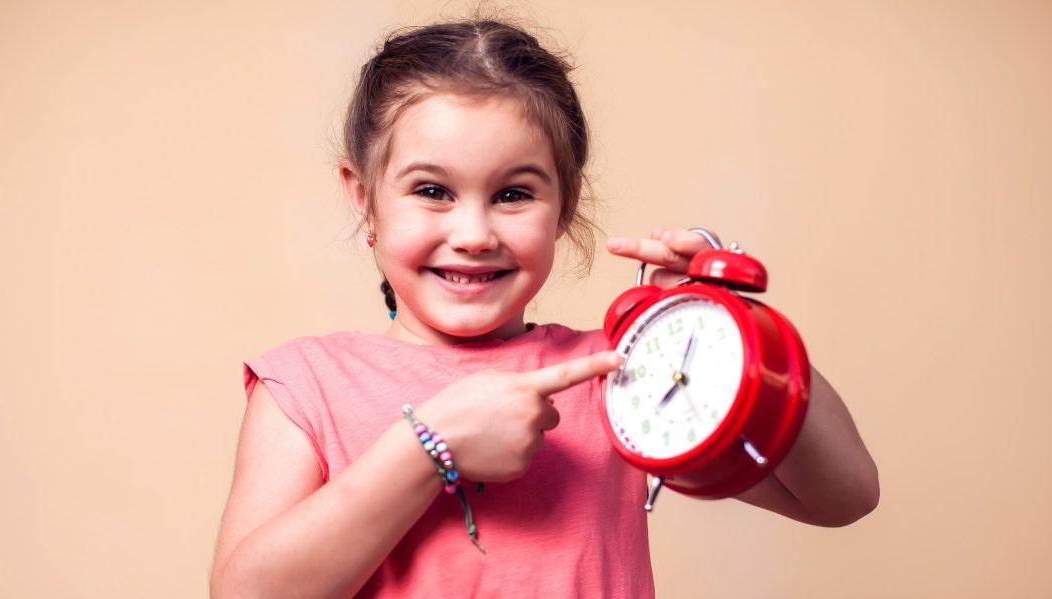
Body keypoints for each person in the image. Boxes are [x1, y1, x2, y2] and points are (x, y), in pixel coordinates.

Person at [211, 18, 878, 599]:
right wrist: (428, 446)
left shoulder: (618, 371)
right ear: (363, 197)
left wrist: (724, 323)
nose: (474, 233)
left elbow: (843, 493)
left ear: (564, 202)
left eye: (513, 194)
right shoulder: (305, 385)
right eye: (433, 189)